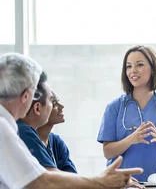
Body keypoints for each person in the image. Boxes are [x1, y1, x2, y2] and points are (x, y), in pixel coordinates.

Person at [0, 52, 143, 189]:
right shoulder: (4, 128)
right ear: (25, 96)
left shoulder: (12, 128)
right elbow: (40, 182)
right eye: (34, 94)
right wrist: (103, 182)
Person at [97, 45, 156, 182]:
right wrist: (132, 139)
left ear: (153, 69)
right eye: (128, 66)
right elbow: (108, 152)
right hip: (122, 184)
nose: (133, 71)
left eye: (139, 65)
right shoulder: (114, 107)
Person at [37, 91, 77, 173]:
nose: (61, 106)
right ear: (37, 108)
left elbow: (72, 176)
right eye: (54, 103)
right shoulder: (28, 138)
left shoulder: (56, 141)